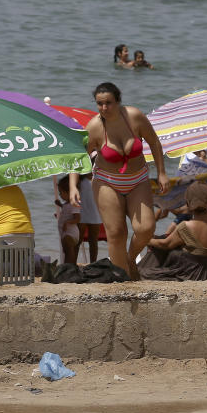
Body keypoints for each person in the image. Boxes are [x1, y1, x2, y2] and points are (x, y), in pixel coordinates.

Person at [69, 82, 169, 280]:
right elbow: (79, 158)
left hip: (138, 179)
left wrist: (162, 172)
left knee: (146, 228)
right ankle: (122, 279)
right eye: (99, 104)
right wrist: (73, 185)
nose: (104, 108)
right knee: (116, 233)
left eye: (108, 103)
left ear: (118, 101)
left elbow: (154, 142)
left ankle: (131, 258)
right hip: (107, 182)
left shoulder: (134, 117)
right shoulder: (95, 127)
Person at [138, 181, 207, 281]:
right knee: (171, 244)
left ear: (187, 202)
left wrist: (147, 240)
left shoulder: (186, 226)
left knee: (144, 272)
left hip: (195, 275)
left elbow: (165, 245)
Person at [54, 177, 81, 263]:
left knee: (69, 250)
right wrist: (60, 205)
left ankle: (69, 266)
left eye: (61, 193)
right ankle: (68, 266)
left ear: (70, 192)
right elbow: (67, 210)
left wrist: (67, 222)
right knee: (66, 250)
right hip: (66, 232)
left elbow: (77, 218)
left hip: (70, 232)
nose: (60, 195)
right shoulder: (67, 204)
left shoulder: (74, 204)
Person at [75, 171, 101, 261]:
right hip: (82, 212)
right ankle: (72, 262)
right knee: (78, 240)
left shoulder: (98, 178)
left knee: (93, 241)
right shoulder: (79, 179)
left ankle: (93, 263)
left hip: (95, 213)